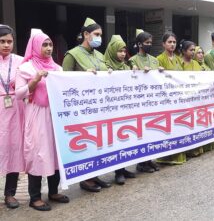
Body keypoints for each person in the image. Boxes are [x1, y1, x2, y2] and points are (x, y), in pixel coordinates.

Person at [16, 29, 69, 211]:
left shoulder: (57, 67)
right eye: (44, 45)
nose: (48, 48)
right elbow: (18, 94)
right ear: (36, 46)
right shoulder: (26, 68)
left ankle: (53, 191)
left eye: (50, 45)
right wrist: (35, 80)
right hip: (37, 115)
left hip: (54, 115)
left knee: (55, 152)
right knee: (38, 153)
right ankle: (35, 197)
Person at [62, 17, 111, 192]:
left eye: (101, 35)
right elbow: (63, 81)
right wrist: (82, 76)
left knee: (99, 142)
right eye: (96, 34)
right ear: (86, 34)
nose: (99, 38)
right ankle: (86, 179)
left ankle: (96, 176)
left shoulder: (99, 55)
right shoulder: (72, 54)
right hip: (81, 109)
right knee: (86, 143)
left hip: (100, 106)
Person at [104, 35, 137, 185]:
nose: (123, 54)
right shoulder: (105, 66)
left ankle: (123, 169)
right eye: (119, 51)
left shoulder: (126, 66)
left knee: (125, 140)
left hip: (125, 109)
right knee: (115, 141)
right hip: (111, 110)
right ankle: (117, 172)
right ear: (112, 51)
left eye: (124, 51)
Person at [129, 31, 163, 172]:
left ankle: (149, 160)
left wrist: (161, 71)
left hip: (153, 102)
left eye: (150, 42)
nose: (149, 45)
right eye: (146, 43)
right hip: (139, 103)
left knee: (152, 131)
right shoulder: (133, 60)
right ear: (139, 44)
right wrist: (137, 71)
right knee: (141, 133)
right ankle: (141, 163)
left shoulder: (154, 60)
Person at [0, 25, 25, 209]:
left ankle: (10, 193)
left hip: (16, 109)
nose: (6, 45)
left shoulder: (21, 61)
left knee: (15, 150)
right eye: (2, 41)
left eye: (9, 41)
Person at [156, 32, 187, 165]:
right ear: (163, 44)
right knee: (167, 128)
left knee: (179, 126)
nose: (172, 44)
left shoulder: (179, 59)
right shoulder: (158, 59)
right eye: (169, 42)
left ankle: (178, 155)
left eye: (174, 42)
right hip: (166, 100)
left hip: (179, 98)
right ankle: (165, 157)